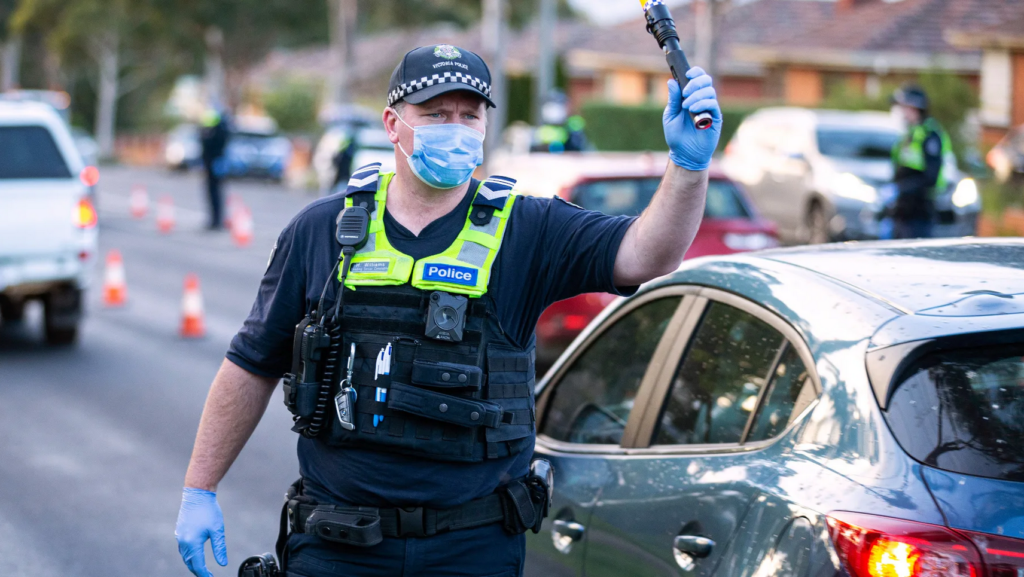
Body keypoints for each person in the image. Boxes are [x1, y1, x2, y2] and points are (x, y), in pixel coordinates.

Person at [174, 43, 721, 577]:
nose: (455, 128)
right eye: (435, 114)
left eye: (469, 115)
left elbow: (648, 254)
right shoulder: (322, 229)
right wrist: (200, 488)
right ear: (393, 124)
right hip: (337, 545)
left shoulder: (529, 229)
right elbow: (252, 364)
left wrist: (688, 166)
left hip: (472, 548)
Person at [883, 84, 952, 239]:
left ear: (914, 108)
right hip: (903, 209)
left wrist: (902, 189)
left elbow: (931, 177)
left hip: (920, 210)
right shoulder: (910, 133)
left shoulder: (929, 135)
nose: (901, 112)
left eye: (903, 107)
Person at [199, 107, 230, 230]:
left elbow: (208, 146)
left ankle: (216, 220)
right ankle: (215, 220)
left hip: (215, 165)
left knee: (215, 192)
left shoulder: (217, 133)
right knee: (213, 192)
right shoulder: (220, 131)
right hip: (211, 165)